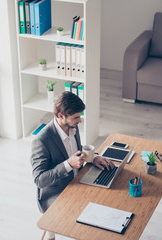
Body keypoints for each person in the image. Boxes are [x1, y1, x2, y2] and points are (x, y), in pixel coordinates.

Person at [30, 91, 114, 240]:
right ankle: (53, 231)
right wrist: (68, 164)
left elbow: (76, 149)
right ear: (60, 116)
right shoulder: (41, 140)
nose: (80, 120)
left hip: (77, 180)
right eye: (76, 117)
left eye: (80, 116)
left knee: (109, 194)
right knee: (87, 222)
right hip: (56, 192)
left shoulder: (72, 128)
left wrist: (93, 158)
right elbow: (39, 180)